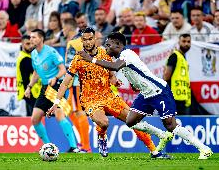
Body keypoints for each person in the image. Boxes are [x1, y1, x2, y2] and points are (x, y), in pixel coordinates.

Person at [77, 32, 213, 159]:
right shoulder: (122, 58)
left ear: (117, 44)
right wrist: (135, 85)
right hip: (146, 94)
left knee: (170, 125)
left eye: (108, 44)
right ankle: (161, 135)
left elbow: (115, 67)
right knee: (130, 121)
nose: (105, 47)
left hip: (159, 91)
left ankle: (204, 149)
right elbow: (134, 80)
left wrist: (91, 60)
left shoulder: (127, 53)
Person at [47, 28, 173, 158]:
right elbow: (65, 82)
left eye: (90, 39)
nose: (88, 42)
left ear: (95, 39)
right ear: (81, 40)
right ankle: (102, 137)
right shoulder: (78, 59)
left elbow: (111, 75)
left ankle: (154, 151)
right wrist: (56, 103)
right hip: (90, 99)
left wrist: (114, 81)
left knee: (133, 122)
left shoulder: (104, 53)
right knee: (104, 123)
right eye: (84, 40)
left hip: (109, 96)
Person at [24, 29, 79, 153]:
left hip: (56, 87)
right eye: (30, 37)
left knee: (59, 116)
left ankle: (74, 147)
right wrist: (29, 86)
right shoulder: (33, 54)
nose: (31, 39)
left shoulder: (51, 52)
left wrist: (55, 77)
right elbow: (36, 72)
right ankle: (48, 147)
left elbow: (63, 70)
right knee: (35, 119)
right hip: (45, 89)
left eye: (34, 37)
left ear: (41, 39)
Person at [63, 19, 91, 153]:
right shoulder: (88, 42)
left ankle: (85, 146)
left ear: (68, 28)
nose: (63, 31)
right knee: (68, 110)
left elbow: (70, 66)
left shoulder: (73, 43)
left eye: (64, 28)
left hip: (75, 82)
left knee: (78, 111)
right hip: (86, 81)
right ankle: (82, 144)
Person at [164, 34, 191, 115]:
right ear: (179, 42)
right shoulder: (174, 56)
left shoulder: (183, 58)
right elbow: (166, 76)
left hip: (182, 97)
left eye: (188, 42)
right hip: (174, 98)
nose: (186, 44)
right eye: (184, 41)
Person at [16, 35, 41, 116]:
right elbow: (25, 78)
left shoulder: (24, 56)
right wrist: (28, 91)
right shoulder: (25, 59)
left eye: (31, 44)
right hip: (31, 93)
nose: (30, 46)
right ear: (22, 44)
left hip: (29, 92)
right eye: (27, 44)